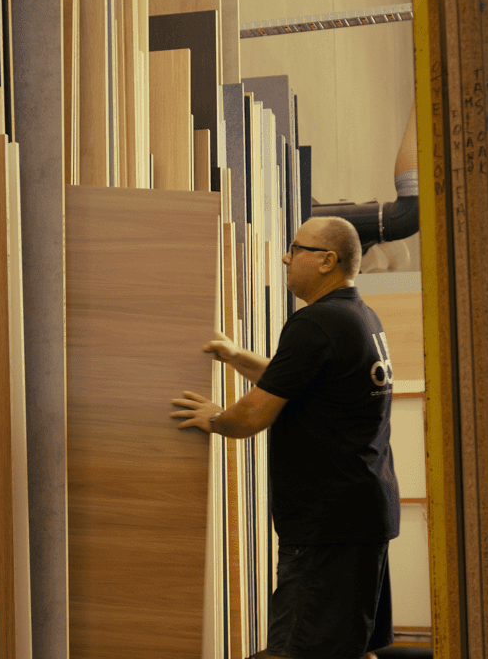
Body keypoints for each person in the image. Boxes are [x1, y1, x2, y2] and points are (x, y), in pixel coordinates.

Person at [170, 215, 400, 659]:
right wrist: (236, 356)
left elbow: (254, 415)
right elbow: (295, 380)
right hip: (363, 512)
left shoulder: (315, 323)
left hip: (326, 524)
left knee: (294, 650)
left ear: (326, 261)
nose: (284, 257)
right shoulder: (358, 316)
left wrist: (216, 418)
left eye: (296, 249)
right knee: (351, 647)